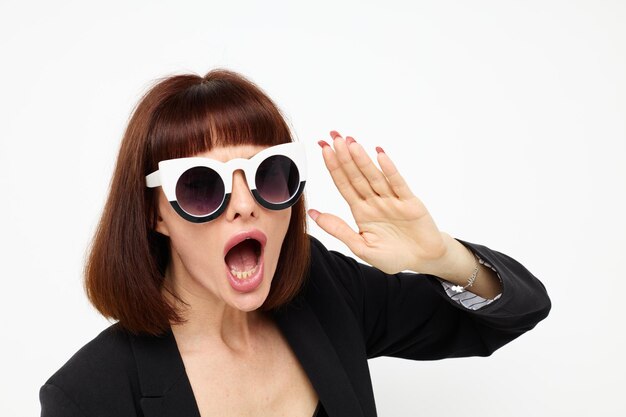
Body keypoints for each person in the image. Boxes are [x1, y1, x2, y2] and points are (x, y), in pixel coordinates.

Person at [39, 69, 551, 417]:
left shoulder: (327, 292)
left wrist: (440, 256)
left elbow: (515, 314)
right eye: (201, 186)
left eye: (269, 175)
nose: (245, 205)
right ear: (155, 214)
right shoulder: (87, 395)